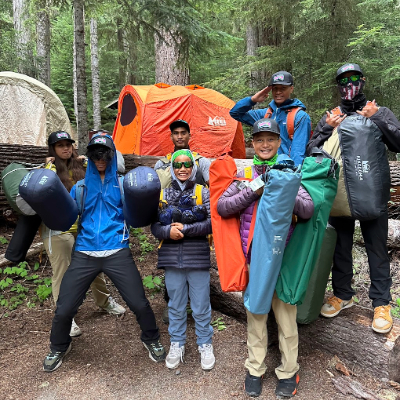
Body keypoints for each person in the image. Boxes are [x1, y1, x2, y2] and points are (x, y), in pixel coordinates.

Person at [43, 134, 165, 372]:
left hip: (116, 249)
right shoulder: (80, 188)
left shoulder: (122, 185)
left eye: (105, 153)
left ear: (112, 155)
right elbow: (67, 216)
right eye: (96, 154)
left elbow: (137, 213)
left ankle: (151, 339)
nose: (101, 159)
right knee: (65, 307)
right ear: (89, 156)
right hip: (85, 252)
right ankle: (58, 346)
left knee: (139, 303)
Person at [217, 118, 314, 397]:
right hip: (254, 259)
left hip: (281, 257)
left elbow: (307, 209)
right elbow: (224, 207)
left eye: (270, 139)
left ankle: (289, 371)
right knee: (256, 314)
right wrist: (254, 188)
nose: (265, 144)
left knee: (285, 318)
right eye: (259, 139)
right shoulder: (244, 175)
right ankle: (255, 368)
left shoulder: (289, 171)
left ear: (278, 141)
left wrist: (283, 187)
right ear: (253, 143)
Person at [307, 63, 400, 334]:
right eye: (344, 80)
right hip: (338, 196)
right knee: (340, 248)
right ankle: (343, 294)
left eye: (354, 78)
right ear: (338, 85)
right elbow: (312, 152)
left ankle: (381, 303)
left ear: (363, 80)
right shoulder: (333, 116)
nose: (350, 84)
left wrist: (378, 117)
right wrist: (326, 128)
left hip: (372, 194)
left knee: (377, 249)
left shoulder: (377, 111)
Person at [42, 131, 125, 337]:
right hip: (57, 228)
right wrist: (48, 166)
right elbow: (44, 191)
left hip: (83, 227)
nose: (65, 148)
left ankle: (104, 301)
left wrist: (88, 162)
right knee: (63, 273)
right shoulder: (49, 170)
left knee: (94, 265)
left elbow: (100, 181)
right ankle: (65, 317)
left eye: (68, 144)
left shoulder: (82, 166)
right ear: (53, 149)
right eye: (60, 145)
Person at [151, 149, 215, 371]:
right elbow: (154, 226)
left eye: (187, 164)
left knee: (201, 306)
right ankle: (177, 343)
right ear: (171, 168)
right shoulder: (162, 194)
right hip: (172, 258)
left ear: (194, 167)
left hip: (197, 257)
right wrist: (167, 232)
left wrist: (186, 229)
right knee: (175, 306)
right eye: (177, 165)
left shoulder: (202, 192)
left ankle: (205, 343)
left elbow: (211, 224)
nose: (182, 169)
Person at [154, 119, 211, 323]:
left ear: (189, 135)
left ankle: (198, 308)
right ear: (171, 136)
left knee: (197, 269)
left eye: (183, 133)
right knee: (171, 265)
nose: (179, 136)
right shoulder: (161, 164)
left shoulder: (201, 161)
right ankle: (173, 306)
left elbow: (213, 184)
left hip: (195, 218)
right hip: (169, 222)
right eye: (176, 133)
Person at [229, 71, 311, 167]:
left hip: (284, 172)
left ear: (291, 89)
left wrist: (292, 174)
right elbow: (235, 113)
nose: (278, 92)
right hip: (263, 169)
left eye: (283, 88)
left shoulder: (300, 117)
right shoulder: (265, 114)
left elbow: (298, 152)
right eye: (275, 88)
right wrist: (252, 100)